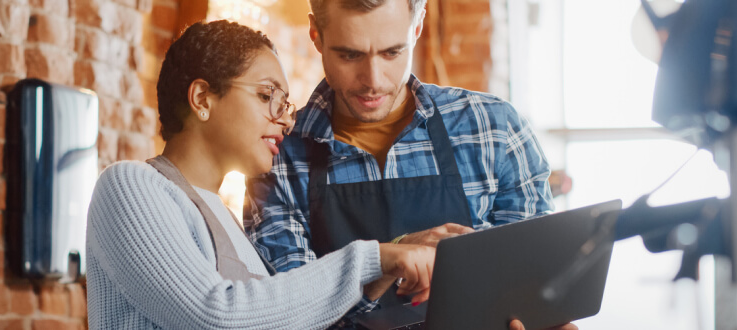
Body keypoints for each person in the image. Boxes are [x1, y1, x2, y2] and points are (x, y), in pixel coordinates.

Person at [84, 20, 439, 329]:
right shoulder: (130, 186)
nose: (286, 119)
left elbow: (271, 314)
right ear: (203, 99)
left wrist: (391, 261)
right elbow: (215, 316)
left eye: (284, 104)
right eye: (266, 95)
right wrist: (373, 258)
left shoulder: (227, 219)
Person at [244, 0, 576, 329]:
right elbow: (290, 316)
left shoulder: (495, 129)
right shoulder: (277, 157)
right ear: (316, 34)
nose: (373, 79)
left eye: (392, 52)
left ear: (416, 28)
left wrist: (539, 318)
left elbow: (534, 288)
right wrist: (387, 260)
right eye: (350, 54)